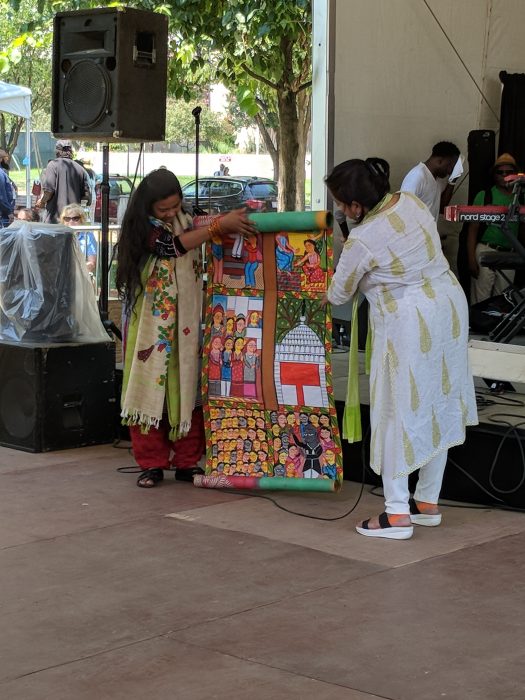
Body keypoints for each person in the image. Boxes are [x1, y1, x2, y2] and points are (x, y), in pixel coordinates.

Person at [325, 158, 478, 540]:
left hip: (409, 320)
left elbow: (337, 293)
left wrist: (348, 254)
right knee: (438, 402)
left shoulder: (363, 237)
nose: (341, 210)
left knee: (396, 410)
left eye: (342, 204)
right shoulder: (409, 201)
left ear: (356, 206)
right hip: (449, 305)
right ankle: (426, 503)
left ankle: (396, 514)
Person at [116, 168, 256, 488]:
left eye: (175, 207)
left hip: (187, 323)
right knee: (150, 388)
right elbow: (172, 247)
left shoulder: (186, 218)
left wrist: (227, 220)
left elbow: (200, 226)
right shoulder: (144, 230)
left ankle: (187, 461)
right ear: (147, 207)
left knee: (187, 387)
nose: (170, 213)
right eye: (163, 209)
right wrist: (220, 225)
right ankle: (150, 463)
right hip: (151, 325)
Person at [467, 153, 524, 304]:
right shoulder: (484, 196)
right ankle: (478, 327)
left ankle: (497, 327)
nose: (504, 175)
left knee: (503, 299)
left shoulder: (521, 197)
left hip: (510, 254)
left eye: (509, 172)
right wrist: (471, 258)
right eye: (500, 172)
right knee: (481, 298)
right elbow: (472, 229)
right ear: (494, 175)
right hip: (486, 249)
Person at [401, 141, 460, 222]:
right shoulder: (417, 176)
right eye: (450, 166)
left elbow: (442, 208)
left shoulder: (439, 179)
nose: (450, 171)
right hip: (415, 233)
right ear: (440, 161)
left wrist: (453, 180)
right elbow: (403, 212)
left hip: (429, 233)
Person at [35, 140, 91, 223]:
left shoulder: (52, 165)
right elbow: (86, 198)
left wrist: (42, 202)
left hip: (55, 220)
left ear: (57, 151)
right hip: (73, 221)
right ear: (71, 151)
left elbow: (49, 191)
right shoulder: (80, 169)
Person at [59, 203, 97, 276]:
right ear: (63, 221)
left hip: (82, 276)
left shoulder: (88, 236)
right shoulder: (58, 236)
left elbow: (92, 263)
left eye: (75, 218)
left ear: (81, 220)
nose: (71, 222)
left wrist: (76, 271)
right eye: (67, 219)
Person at [0, 148, 15, 227]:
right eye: (6, 156)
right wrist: (9, 212)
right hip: (3, 214)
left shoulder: (2, 172)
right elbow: (1, 196)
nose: (8, 158)